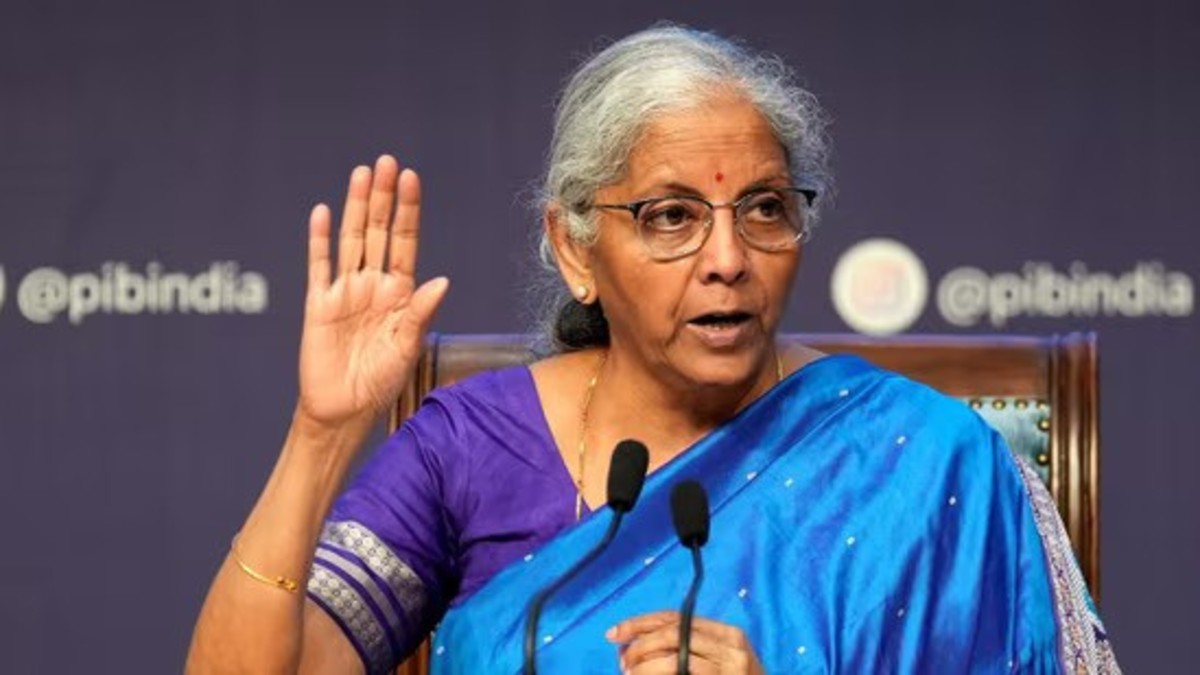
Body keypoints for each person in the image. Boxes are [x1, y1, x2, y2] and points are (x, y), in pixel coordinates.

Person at [186, 25, 1120, 674]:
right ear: (575, 248)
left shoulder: (926, 457)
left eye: (764, 209)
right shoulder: (470, 448)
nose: (728, 260)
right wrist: (322, 432)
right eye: (671, 217)